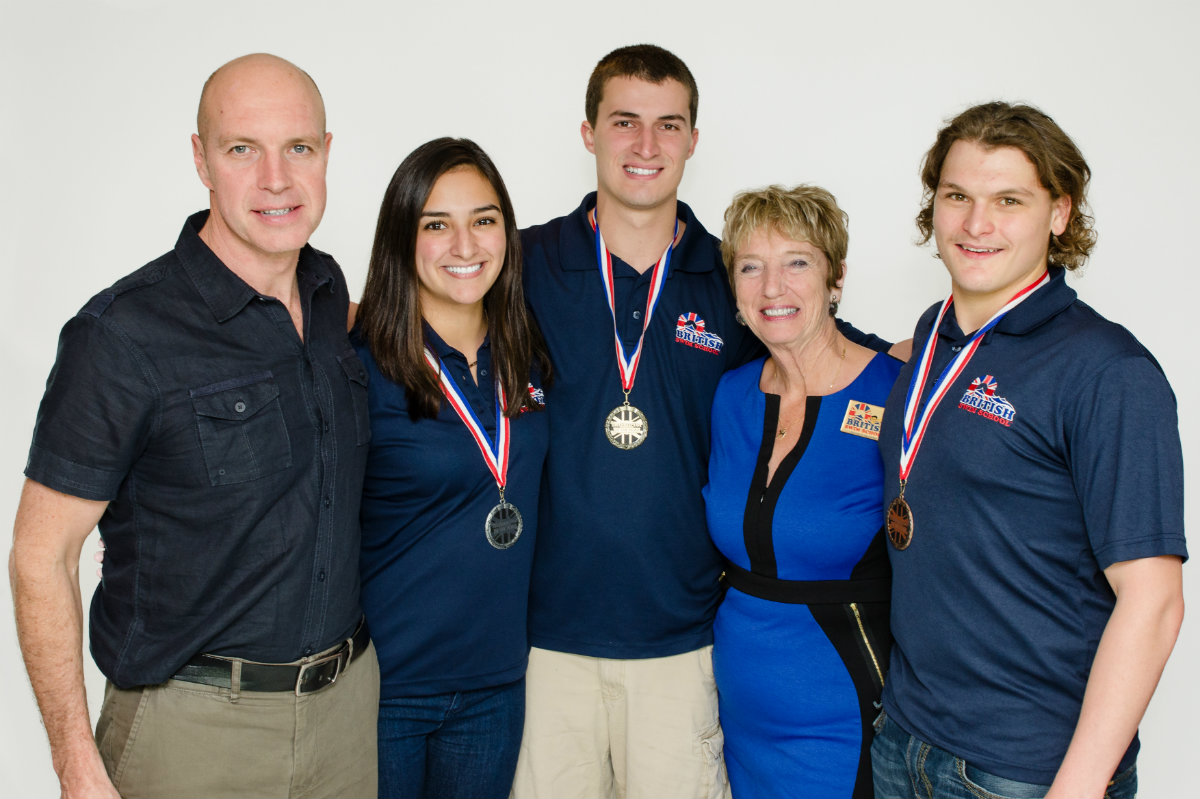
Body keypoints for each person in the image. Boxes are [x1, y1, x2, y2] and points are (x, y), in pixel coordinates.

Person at [511, 44, 893, 799]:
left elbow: (814, 345)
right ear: (588, 132)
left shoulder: (730, 278)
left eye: (668, 124)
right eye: (625, 122)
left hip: (684, 643)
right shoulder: (523, 265)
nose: (646, 146)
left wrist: (916, 350)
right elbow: (426, 307)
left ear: (692, 137)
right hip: (545, 640)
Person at [9, 54, 378, 798]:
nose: (276, 178)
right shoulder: (120, 335)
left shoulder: (328, 286)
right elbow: (39, 557)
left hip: (345, 717)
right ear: (201, 158)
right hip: (192, 733)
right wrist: (76, 765)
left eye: (298, 148)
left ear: (327, 153)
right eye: (243, 148)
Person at [872, 102, 1186, 799]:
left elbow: (1155, 599)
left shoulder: (1108, 371)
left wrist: (1077, 784)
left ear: (1059, 213)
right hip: (906, 741)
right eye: (958, 197)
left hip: (1022, 770)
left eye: (1008, 200)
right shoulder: (935, 336)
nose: (976, 224)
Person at [351, 137, 551, 799]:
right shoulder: (359, 364)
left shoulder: (526, 351)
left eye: (483, 220)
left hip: (495, 685)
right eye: (436, 224)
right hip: (386, 690)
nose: (465, 245)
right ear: (402, 239)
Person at [704, 185, 902, 799]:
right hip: (736, 719)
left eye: (797, 262)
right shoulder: (732, 394)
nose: (772, 288)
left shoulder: (896, 392)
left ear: (835, 279)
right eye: (750, 267)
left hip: (843, 717)